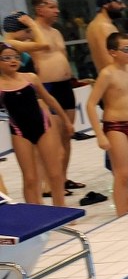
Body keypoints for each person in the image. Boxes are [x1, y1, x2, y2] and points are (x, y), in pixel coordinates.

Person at [86, 33, 128, 217]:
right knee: (122, 174)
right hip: (115, 126)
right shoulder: (107, 74)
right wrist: (99, 135)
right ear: (113, 52)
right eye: (126, 49)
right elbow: (91, 104)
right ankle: (122, 214)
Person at [0, 42, 71, 206]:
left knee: (55, 173)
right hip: (19, 132)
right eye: (7, 58)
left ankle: (61, 210)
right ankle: (36, 215)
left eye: (16, 57)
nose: (13, 61)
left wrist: (66, 120)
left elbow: (49, 99)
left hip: (43, 127)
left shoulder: (30, 78)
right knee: (30, 178)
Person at [29, 0, 84, 193]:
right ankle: (48, 183)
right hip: (47, 87)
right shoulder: (31, 33)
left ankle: (62, 178)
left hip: (64, 86)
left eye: (57, 7)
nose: (57, 11)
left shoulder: (56, 32)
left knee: (66, 135)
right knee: (49, 140)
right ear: (39, 9)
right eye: (52, 7)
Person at [86, 0, 127, 75]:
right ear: (105, 3)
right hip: (115, 82)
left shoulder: (93, 25)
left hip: (108, 79)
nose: (124, 6)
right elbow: (110, 61)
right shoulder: (104, 27)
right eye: (119, 2)